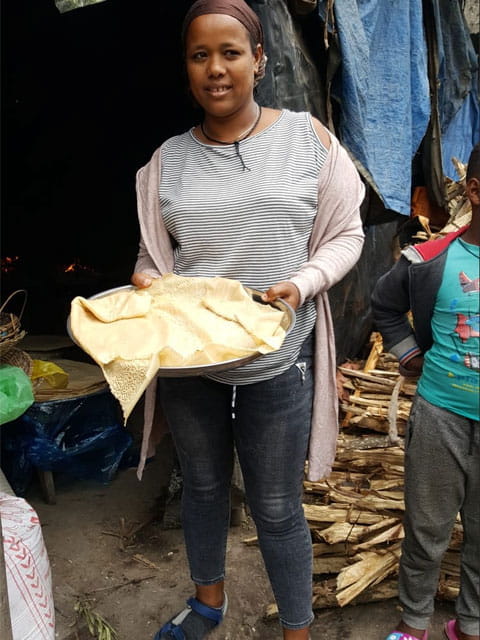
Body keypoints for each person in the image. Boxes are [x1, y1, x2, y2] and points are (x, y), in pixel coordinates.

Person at [131, 1, 365, 638]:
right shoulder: (166, 163)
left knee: (277, 506)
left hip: (278, 358)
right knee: (203, 489)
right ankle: (208, 604)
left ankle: (296, 628)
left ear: (259, 61)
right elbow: (156, 256)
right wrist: (148, 281)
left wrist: (301, 284)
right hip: (191, 362)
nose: (216, 69)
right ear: (186, 69)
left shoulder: (307, 139)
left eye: (231, 53)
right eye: (200, 55)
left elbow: (346, 236)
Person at [372, 142, 480, 640]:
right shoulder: (432, 259)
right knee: (427, 528)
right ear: (474, 191)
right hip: (442, 416)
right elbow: (384, 303)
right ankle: (413, 624)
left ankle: (471, 624)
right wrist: (409, 353)